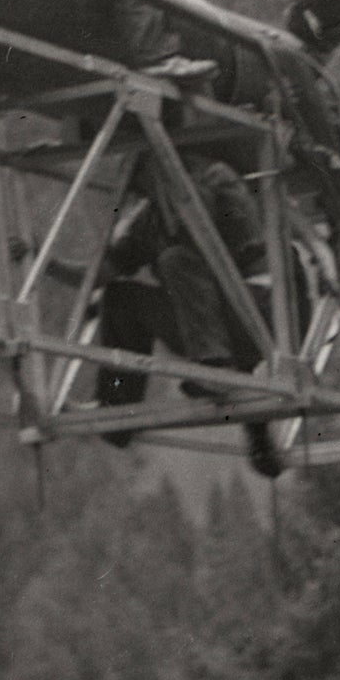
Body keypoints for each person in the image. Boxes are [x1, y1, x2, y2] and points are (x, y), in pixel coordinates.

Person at [87, 152, 283, 476]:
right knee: (119, 297)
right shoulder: (149, 217)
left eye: (143, 181)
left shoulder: (216, 179)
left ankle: (216, 370)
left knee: (177, 260)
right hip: (205, 321)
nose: (142, 192)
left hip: (253, 311)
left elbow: (205, 238)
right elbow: (101, 273)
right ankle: (117, 413)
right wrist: (41, 259)